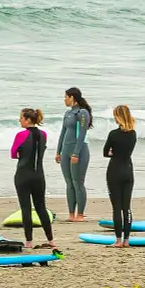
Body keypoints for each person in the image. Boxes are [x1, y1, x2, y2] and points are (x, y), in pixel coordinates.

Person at [11, 108, 55, 248]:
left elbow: (13, 154)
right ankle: (50, 240)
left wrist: (20, 153)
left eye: (21, 118)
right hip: (38, 176)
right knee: (41, 207)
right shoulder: (44, 134)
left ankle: (29, 241)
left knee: (26, 208)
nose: (20, 120)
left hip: (23, 175)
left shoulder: (20, 135)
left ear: (28, 120)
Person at [56, 87, 92, 222]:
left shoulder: (82, 113)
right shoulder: (68, 113)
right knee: (69, 183)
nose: (64, 99)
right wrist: (58, 151)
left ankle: (80, 214)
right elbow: (62, 133)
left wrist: (76, 153)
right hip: (65, 151)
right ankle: (71, 214)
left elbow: (82, 134)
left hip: (79, 151)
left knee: (78, 182)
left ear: (72, 97)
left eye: (66, 97)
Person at [103, 106, 137, 248]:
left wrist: (112, 152)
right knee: (126, 208)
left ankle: (117, 240)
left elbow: (105, 152)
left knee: (116, 208)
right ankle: (127, 240)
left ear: (118, 116)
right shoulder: (133, 134)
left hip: (114, 170)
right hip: (128, 170)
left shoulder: (113, 134)